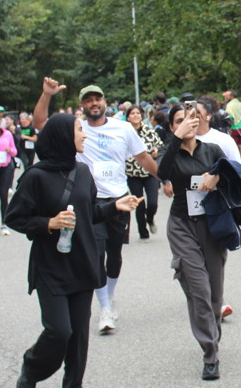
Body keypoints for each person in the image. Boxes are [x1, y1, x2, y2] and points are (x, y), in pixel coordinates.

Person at [5, 114, 142, 388]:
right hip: (50, 265)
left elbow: (88, 212)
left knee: (79, 331)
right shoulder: (35, 176)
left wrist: (114, 206)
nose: (84, 135)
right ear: (62, 137)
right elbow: (14, 217)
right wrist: (48, 223)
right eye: (79, 130)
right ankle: (32, 367)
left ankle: (73, 385)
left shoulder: (82, 171)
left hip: (82, 260)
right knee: (59, 331)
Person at [33, 79, 159, 334]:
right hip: (89, 201)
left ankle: (109, 295)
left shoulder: (123, 128)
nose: (93, 104)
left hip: (119, 199)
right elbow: (40, 123)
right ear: (82, 105)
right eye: (88, 100)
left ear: (104, 102)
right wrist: (46, 95)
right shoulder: (75, 128)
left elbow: (143, 157)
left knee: (114, 255)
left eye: (97, 99)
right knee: (96, 253)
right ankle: (104, 308)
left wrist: (165, 180)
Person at [157, 105, 230, 380]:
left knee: (214, 294)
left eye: (191, 118)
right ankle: (210, 354)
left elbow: (233, 174)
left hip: (212, 225)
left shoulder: (211, 150)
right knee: (198, 288)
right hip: (182, 226)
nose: (187, 123)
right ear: (172, 126)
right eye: (180, 120)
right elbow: (162, 172)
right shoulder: (168, 151)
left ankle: (213, 333)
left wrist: (217, 175)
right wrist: (176, 139)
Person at [124, 104, 163, 242]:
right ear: (128, 117)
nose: (135, 115)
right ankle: (143, 232)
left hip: (149, 172)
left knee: (152, 203)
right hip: (133, 174)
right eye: (132, 113)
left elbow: (160, 146)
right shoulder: (125, 132)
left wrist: (156, 152)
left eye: (138, 113)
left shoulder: (149, 131)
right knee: (139, 204)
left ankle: (150, 218)